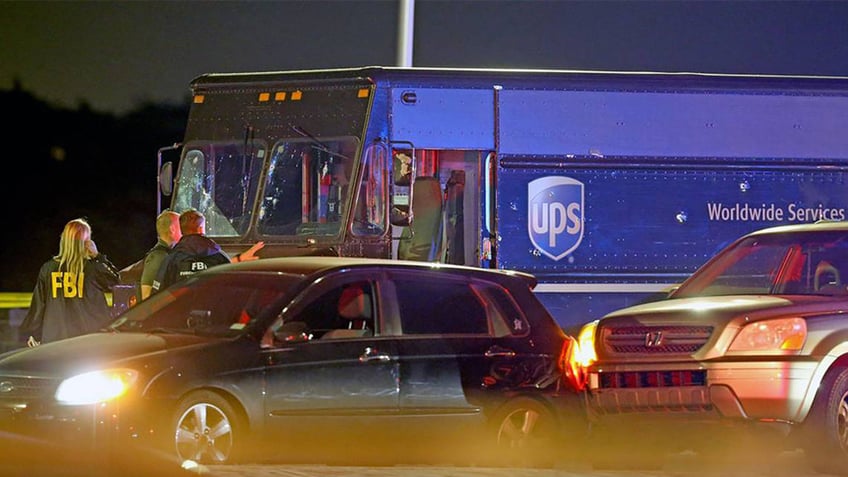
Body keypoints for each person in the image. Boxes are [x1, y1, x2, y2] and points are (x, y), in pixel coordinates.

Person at [20, 218, 120, 346]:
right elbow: (115, 281)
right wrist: (98, 256)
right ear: (86, 242)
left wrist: (34, 334)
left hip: (55, 341)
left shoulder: (48, 269)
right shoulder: (93, 268)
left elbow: (38, 306)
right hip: (89, 341)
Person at [152, 209, 264, 294]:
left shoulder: (171, 259)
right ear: (201, 228)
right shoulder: (218, 256)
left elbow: (157, 295)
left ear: (182, 229)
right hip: (214, 318)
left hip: (180, 319)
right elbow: (232, 290)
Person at [139, 210, 182, 300]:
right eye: (181, 227)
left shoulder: (169, 254)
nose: (183, 231)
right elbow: (146, 296)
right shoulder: (158, 257)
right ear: (172, 229)